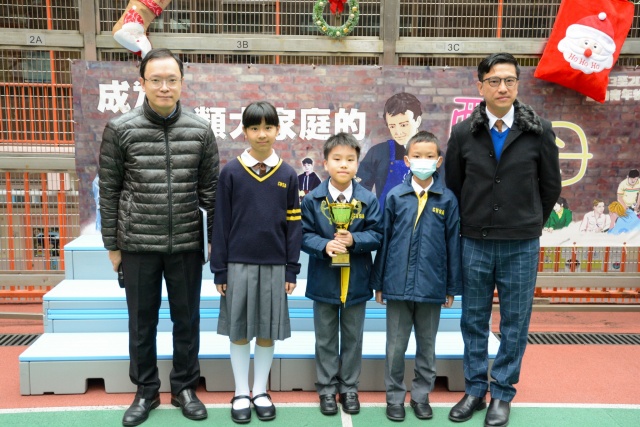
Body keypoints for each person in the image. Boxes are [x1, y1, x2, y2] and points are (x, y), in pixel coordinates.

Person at [99, 48, 218, 426]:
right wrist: (112, 245)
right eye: (156, 80)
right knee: (141, 322)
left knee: (187, 320)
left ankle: (184, 387)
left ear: (182, 83)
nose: (164, 87)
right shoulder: (120, 129)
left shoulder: (200, 130)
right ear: (142, 83)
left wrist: (212, 243)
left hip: (186, 244)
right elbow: (109, 191)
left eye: (172, 80)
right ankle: (146, 391)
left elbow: (210, 192)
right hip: (137, 244)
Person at [444, 53, 562, 427]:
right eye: (494, 81)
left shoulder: (538, 130)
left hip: (521, 243)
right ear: (480, 85)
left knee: (515, 322)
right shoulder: (464, 132)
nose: (502, 87)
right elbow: (454, 185)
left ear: (517, 85)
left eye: (509, 80)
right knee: (473, 320)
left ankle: (503, 393)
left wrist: (529, 222)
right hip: (474, 241)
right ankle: (475, 390)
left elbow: (551, 186)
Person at [210, 101, 302, 424]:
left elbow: (294, 225)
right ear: (245, 132)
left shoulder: (288, 174)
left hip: (276, 267)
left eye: (268, 127)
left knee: (266, 332)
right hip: (237, 266)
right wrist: (219, 269)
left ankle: (260, 391)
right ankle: (240, 392)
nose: (261, 134)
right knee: (238, 331)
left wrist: (292, 268)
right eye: (254, 128)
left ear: (278, 130)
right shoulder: (231, 173)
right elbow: (221, 224)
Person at [371, 131, 462, 422]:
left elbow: (453, 245)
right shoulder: (395, 197)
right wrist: (379, 283)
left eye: (429, 156)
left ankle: (421, 397)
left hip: (432, 287)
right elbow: (384, 241)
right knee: (395, 348)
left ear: (438, 161)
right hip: (396, 285)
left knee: (427, 347)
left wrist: (451, 287)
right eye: (417, 156)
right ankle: (394, 399)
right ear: (407, 160)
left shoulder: (447, 200)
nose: (423, 161)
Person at [301, 132, 383, 416]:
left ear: (358, 164)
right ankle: (326, 389)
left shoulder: (367, 200)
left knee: (353, 338)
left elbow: (377, 234)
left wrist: (354, 240)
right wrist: (325, 245)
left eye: (350, 159)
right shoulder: (312, 199)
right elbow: (303, 235)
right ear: (325, 163)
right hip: (324, 280)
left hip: (356, 280)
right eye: (337, 159)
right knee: (325, 338)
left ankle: (349, 388)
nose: (344, 164)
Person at [357, 92, 423, 210]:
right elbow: (360, 192)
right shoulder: (378, 153)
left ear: (417, 121)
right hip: (385, 220)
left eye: (403, 125)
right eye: (392, 126)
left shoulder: (433, 155)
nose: (398, 132)